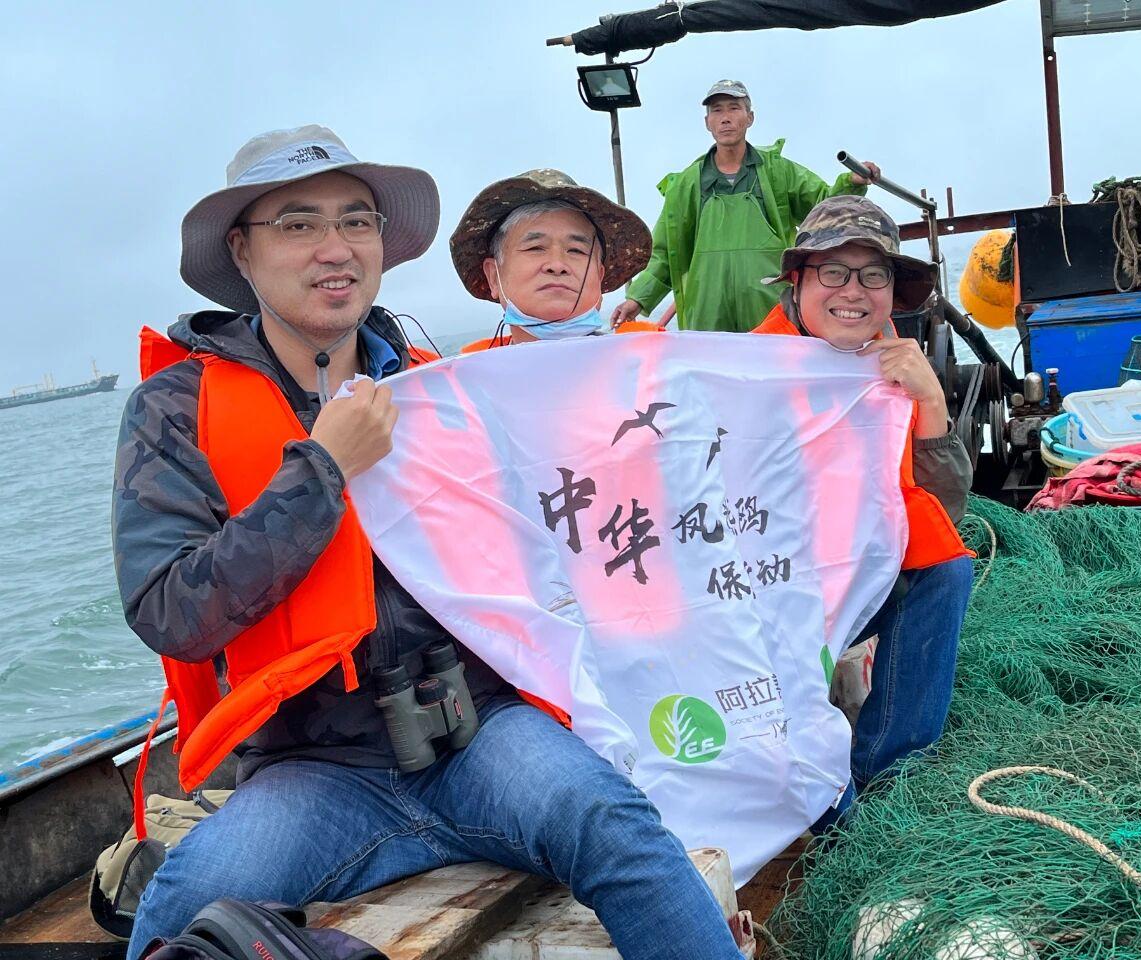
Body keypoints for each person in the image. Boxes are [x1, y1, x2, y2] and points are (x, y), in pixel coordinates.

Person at [112, 125, 746, 960]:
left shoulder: (438, 382)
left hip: (481, 731)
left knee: (613, 822)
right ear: (242, 248)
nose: (335, 249)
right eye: (299, 224)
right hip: (314, 769)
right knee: (178, 912)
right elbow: (171, 612)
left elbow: (567, 530)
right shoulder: (173, 410)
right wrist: (322, 472)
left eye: (357, 222)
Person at [753, 194, 975, 806]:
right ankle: (820, 797)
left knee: (945, 570)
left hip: (855, 579)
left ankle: (890, 770)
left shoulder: (895, 368)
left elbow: (941, 512)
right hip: (762, 596)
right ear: (796, 282)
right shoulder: (742, 370)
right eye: (832, 271)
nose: (852, 290)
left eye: (872, 275)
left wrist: (931, 403)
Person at [612, 79, 881, 333]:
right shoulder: (686, 184)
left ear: (749, 117)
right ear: (707, 122)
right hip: (707, 311)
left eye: (734, 108)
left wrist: (852, 183)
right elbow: (665, 252)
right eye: (717, 110)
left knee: (776, 377)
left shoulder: (779, 172)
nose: (726, 117)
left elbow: (826, 208)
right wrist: (638, 298)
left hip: (770, 308)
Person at [448, 168, 660, 352]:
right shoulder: (462, 386)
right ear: (494, 277)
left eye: (576, 250)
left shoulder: (655, 366)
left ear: (599, 278)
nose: (557, 265)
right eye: (536, 247)